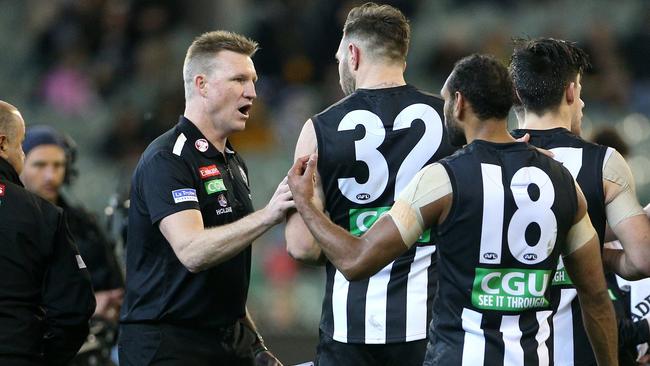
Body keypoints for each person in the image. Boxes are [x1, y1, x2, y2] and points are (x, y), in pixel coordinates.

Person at [287, 54, 618, 365]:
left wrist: (305, 202)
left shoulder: (443, 179)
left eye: (445, 101)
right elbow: (596, 298)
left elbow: (355, 260)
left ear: (459, 103)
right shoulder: (562, 180)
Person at [285, 3, 458, 364]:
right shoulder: (450, 120)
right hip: (431, 328)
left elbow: (301, 246)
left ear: (353, 53)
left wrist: (352, 242)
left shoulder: (318, 129)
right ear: (402, 58)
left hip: (350, 332)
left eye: (338, 60)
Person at [118, 30, 293, 365]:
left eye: (253, 80)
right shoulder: (168, 158)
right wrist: (270, 214)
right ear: (201, 85)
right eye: (239, 79)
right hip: (168, 344)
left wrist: (255, 344)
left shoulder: (232, 161)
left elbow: (224, 270)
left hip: (224, 340)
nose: (253, 92)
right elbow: (193, 251)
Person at [510, 37, 650, 366]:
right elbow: (643, 258)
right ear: (572, 92)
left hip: (500, 348)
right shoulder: (604, 163)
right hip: (580, 348)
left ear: (518, 94)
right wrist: (594, 252)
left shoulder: (483, 160)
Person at [0, 100, 95, 365]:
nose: (22, 154)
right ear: (3, 144)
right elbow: (75, 310)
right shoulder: (42, 214)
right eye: (21, 146)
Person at [20, 125, 124, 365]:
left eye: (58, 165)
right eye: (39, 165)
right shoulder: (9, 224)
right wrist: (88, 307)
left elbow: (114, 284)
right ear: (19, 164)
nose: (50, 175)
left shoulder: (85, 224)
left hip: (96, 345)